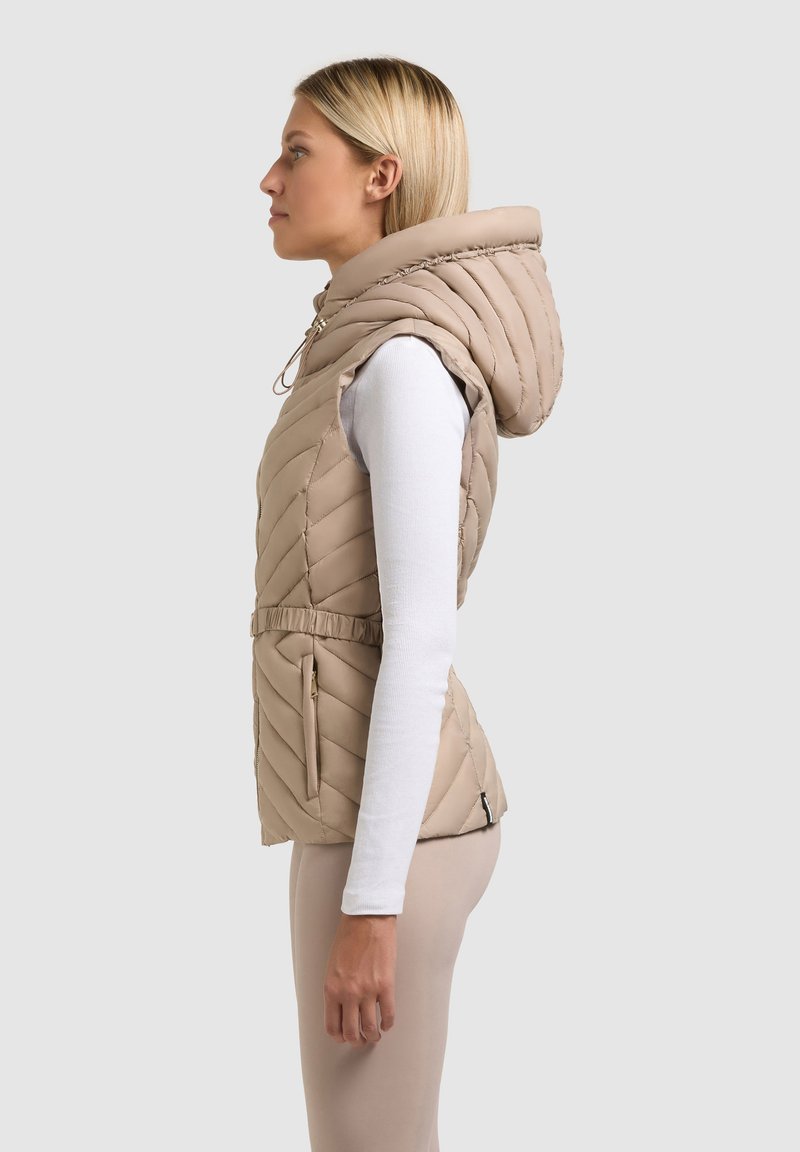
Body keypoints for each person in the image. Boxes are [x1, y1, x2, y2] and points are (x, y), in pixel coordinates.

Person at [253, 56, 564, 1152]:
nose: (269, 180)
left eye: (297, 152)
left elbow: (419, 639)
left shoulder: (401, 367)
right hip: (355, 809)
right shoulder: (358, 348)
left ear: (381, 175)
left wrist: (371, 907)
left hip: (393, 833)